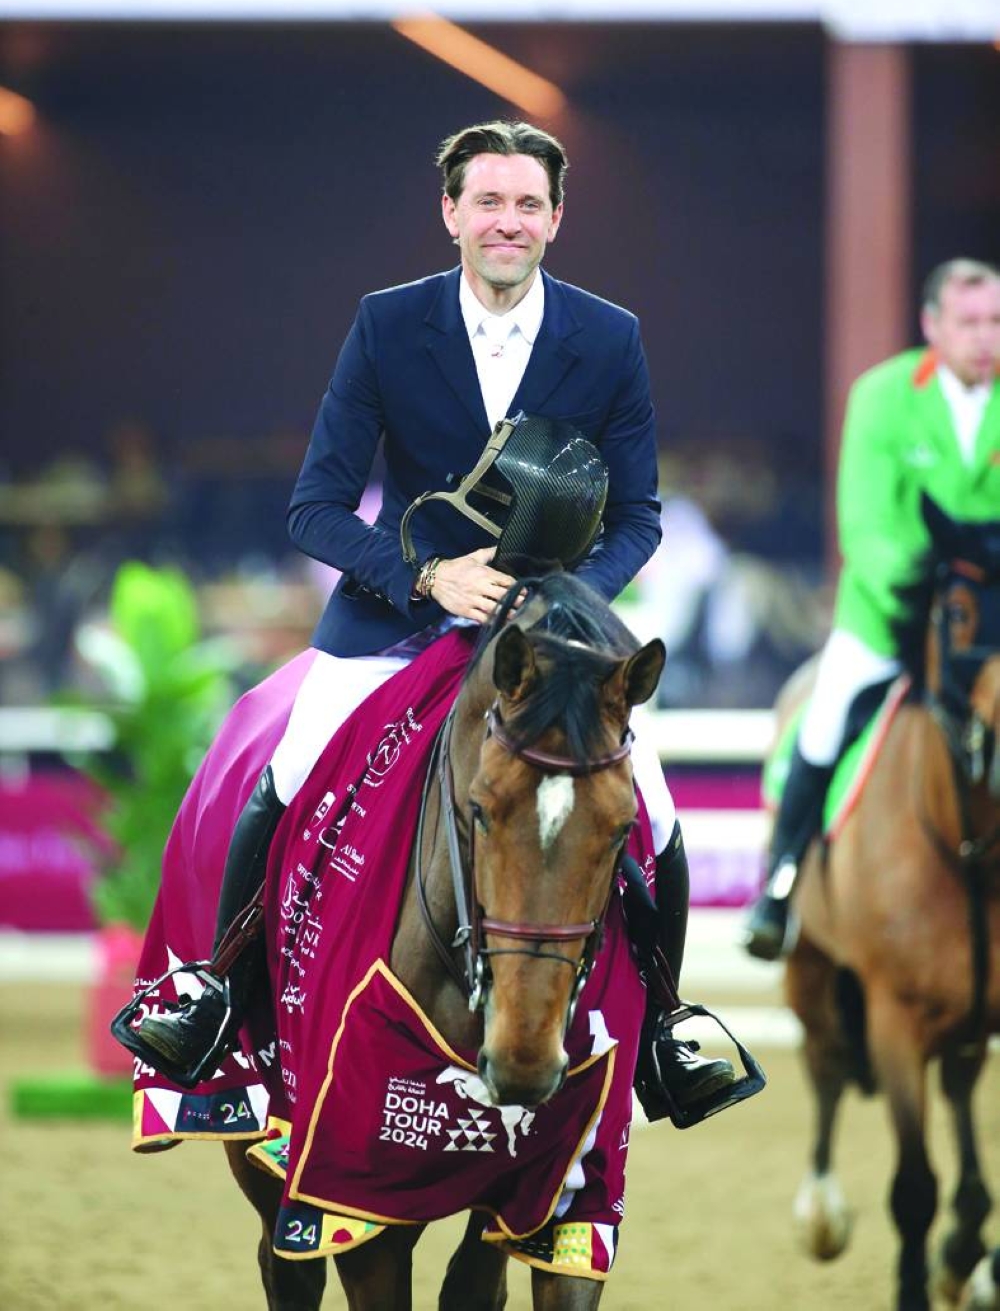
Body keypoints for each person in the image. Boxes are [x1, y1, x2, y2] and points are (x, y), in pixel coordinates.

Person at [131, 118, 735, 1111]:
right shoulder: (386, 324)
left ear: (557, 218)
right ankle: (212, 988)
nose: (508, 222)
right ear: (450, 213)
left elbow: (637, 517)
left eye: (528, 204)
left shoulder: (608, 336)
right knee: (285, 770)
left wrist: (561, 599)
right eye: (488, 202)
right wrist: (429, 578)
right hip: (390, 622)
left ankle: (668, 1025)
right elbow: (314, 507)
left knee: (655, 809)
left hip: (543, 639)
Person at [744, 256, 1000, 959]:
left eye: (996, 322)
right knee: (823, 722)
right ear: (933, 326)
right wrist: (931, 588)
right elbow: (866, 527)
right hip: (892, 613)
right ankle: (782, 882)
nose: (986, 338)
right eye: (971, 322)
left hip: (995, 618)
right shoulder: (882, 395)